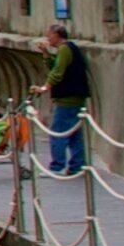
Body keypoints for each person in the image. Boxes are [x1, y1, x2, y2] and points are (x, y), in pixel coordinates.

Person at [38, 23, 90, 175]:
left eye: (50, 35)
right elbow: (55, 66)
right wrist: (46, 53)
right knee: (74, 134)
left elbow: (58, 72)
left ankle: (57, 166)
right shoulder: (68, 48)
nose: (48, 37)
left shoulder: (64, 49)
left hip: (67, 98)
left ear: (57, 35)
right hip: (77, 97)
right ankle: (77, 165)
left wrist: (45, 87)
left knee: (58, 132)